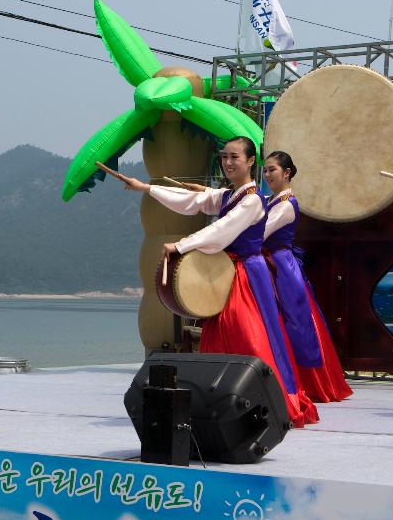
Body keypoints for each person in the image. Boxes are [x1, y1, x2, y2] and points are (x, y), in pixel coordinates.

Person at [116, 137, 318, 427]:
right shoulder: (229, 195)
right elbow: (194, 202)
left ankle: (267, 400)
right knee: (223, 333)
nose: (227, 162)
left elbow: (222, 230)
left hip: (248, 274)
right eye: (224, 157)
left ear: (251, 162)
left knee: (249, 335)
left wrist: (183, 244)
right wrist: (147, 188)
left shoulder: (252, 200)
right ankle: (222, 401)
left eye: (234, 157)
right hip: (231, 272)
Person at [261, 151, 353, 404]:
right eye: (266, 170)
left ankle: (311, 383)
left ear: (287, 173)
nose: (267, 175)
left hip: (280, 267)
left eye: (272, 170)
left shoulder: (286, 204)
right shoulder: (271, 201)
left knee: (296, 323)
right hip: (269, 263)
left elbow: (260, 231)